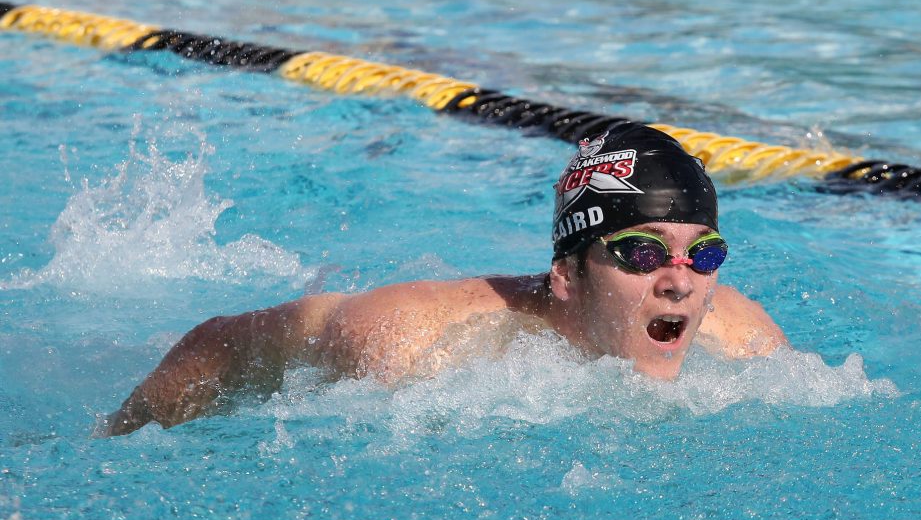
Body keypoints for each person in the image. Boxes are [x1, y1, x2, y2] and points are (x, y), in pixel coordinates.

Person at [100, 123, 786, 436]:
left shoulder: (748, 344)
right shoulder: (410, 343)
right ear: (567, 275)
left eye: (703, 255)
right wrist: (111, 448)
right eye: (641, 252)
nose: (679, 282)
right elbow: (216, 345)